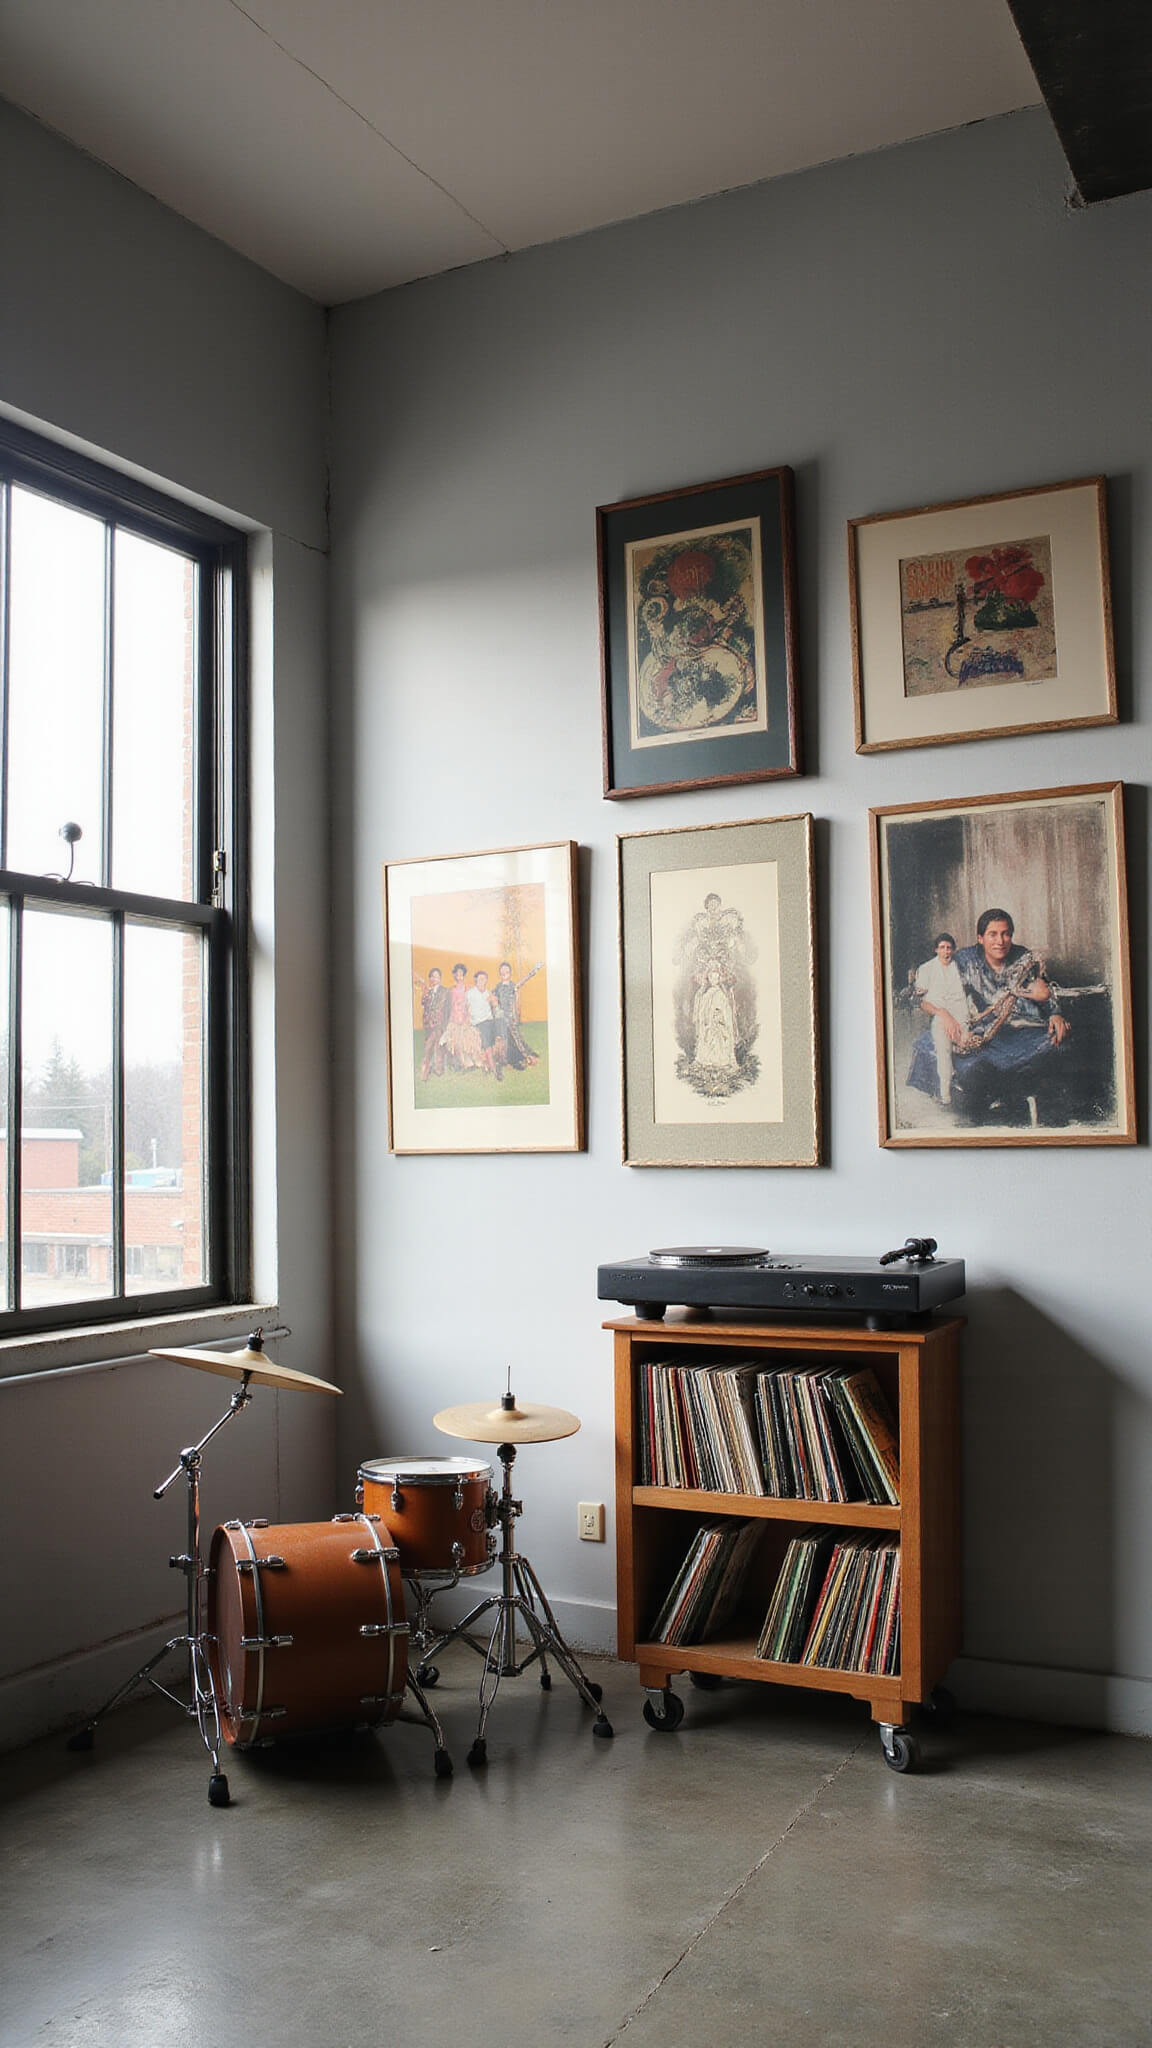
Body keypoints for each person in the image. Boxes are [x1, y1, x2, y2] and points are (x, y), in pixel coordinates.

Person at [907, 907, 1069, 1119]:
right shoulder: (963, 960)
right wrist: (943, 1014)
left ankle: (1010, 1094)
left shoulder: (1023, 958)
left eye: (1006, 934)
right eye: (993, 934)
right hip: (983, 1029)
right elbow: (926, 992)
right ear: (980, 938)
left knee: (1058, 1043)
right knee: (953, 1056)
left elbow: (1045, 990)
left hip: (1019, 1030)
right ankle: (995, 1096)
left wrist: (1055, 1013)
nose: (1000, 941)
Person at [911, 933, 968, 1106]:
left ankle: (966, 1085)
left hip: (962, 1012)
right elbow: (920, 1001)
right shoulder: (927, 968)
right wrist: (941, 1013)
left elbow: (967, 994)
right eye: (942, 947)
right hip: (939, 1014)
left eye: (949, 947)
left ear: (953, 950)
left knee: (966, 1042)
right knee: (944, 1048)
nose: (946, 951)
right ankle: (945, 1093)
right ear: (936, 949)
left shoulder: (960, 968)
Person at [691, 962, 739, 1077]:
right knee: (706, 1039)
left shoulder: (721, 995)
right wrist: (705, 1020)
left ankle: (720, 1063)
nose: (714, 979)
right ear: (708, 977)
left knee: (717, 1040)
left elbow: (726, 1012)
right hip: (708, 1026)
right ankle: (706, 1061)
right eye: (711, 976)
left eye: (716, 977)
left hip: (718, 1026)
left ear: (719, 978)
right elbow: (702, 1011)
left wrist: (718, 1018)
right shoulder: (705, 994)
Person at [490, 960, 541, 1070]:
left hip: (511, 1019)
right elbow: (491, 996)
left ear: (510, 973)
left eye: (506, 971)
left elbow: (524, 980)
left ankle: (527, 1056)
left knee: (517, 1039)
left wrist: (534, 970)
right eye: (502, 971)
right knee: (508, 1041)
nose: (504, 973)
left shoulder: (513, 986)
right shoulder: (498, 987)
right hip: (502, 1020)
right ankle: (517, 1059)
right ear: (499, 973)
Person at [441, 963, 484, 1072]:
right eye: (457, 974)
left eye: (461, 974)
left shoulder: (468, 988)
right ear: (454, 975)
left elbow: (470, 1004)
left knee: (471, 1036)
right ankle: (465, 1062)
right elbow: (450, 1006)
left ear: (464, 975)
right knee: (456, 1038)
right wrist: (453, 1019)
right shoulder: (451, 990)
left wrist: (468, 1017)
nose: (459, 976)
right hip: (454, 1019)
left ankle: (476, 1060)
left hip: (466, 1018)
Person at [414, 966, 450, 1080]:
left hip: (440, 1024)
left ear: (440, 978)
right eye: (432, 977)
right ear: (430, 979)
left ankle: (433, 1069)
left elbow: (448, 1009)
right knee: (430, 1045)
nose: (434, 979)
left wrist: (446, 1025)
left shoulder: (445, 991)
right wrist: (424, 992)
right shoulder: (428, 992)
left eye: (436, 976)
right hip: (429, 1024)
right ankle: (431, 1068)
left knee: (436, 1046)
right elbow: (424, 1005)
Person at [466, 969, 500, 1076]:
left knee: (501, 1028)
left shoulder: (488, 993)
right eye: (479, 978)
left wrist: (495, 1002)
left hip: (489, 1020)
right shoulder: (470, 993)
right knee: (486, 1034)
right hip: (478, 1022)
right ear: (475, 979)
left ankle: (502, 1059)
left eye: (484, 978)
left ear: (486, 980)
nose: (481, 980)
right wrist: (467, 1019)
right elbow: (465, 1007)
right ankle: (493, 1066)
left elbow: (494, 1007)